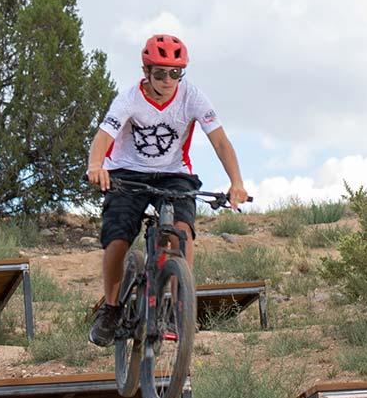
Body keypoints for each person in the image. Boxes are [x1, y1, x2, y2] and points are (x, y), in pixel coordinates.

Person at [86, 34, 248, 347]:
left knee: (181, 230)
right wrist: (96, 166)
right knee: (118, 237)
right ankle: (112, 308)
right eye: (160, 73)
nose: (168, 80)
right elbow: (103, 137)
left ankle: (179, 306)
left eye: (175, 73)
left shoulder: (193, 97)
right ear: (146, 72)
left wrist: (236, 182)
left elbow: (220, 141)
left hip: (174, 173)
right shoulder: (129, 99)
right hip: (126, 172)